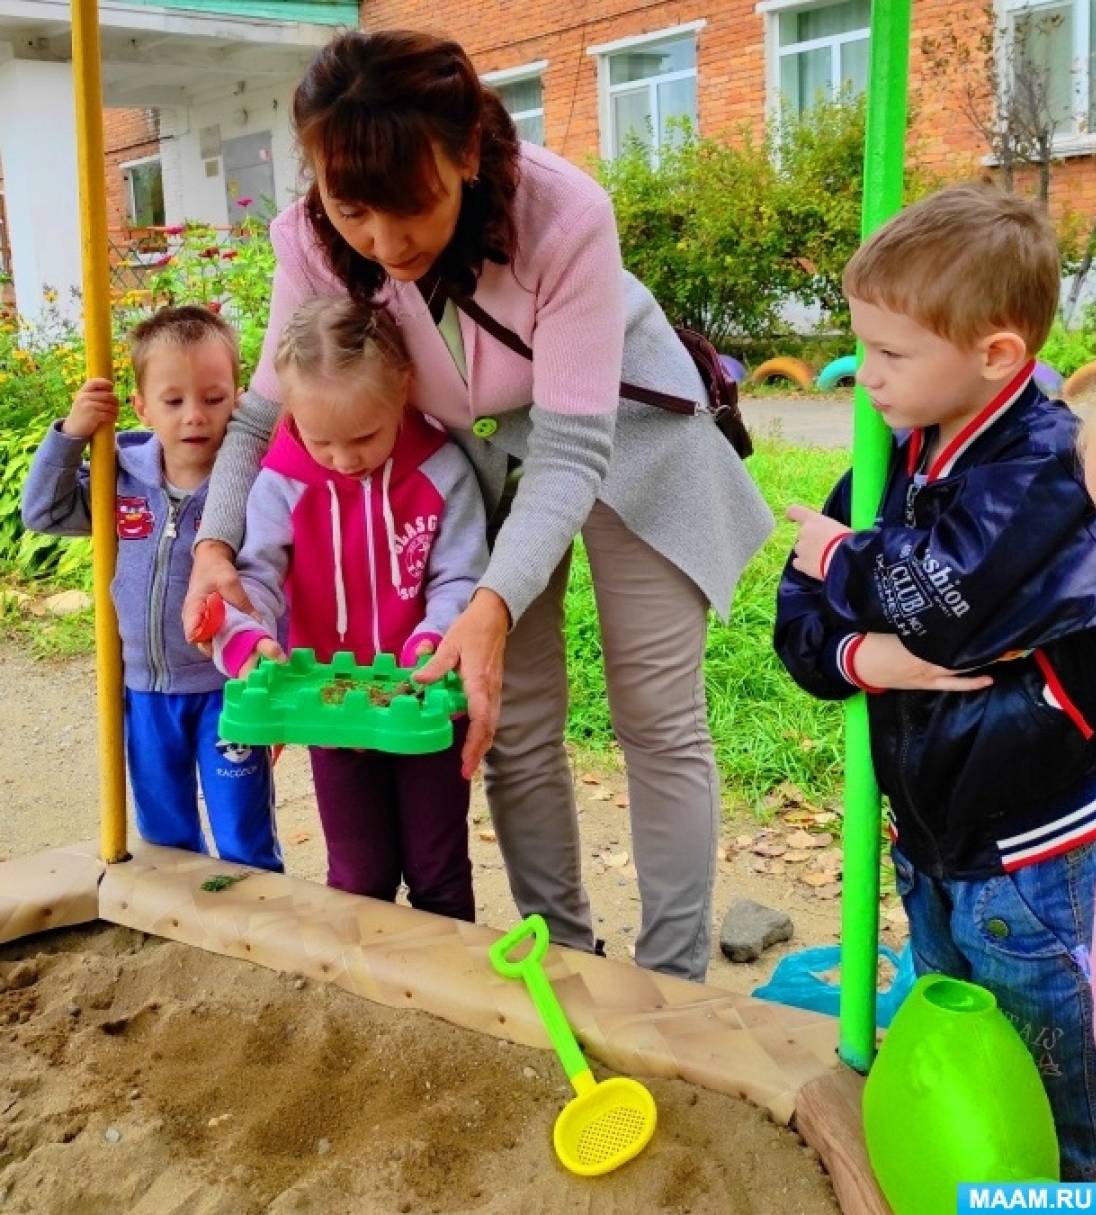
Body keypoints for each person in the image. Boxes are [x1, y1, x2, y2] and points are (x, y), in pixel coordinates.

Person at [185, 29, 774, 981]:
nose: (384, 242)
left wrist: (491, 603)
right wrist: (216, 546)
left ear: (465, 152)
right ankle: (564, 953)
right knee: (510, 715)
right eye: (353, 210)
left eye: (408, 206)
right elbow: (261, 417)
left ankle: (671, 981)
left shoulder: (562, 210)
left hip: (626, 435)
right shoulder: (311, 239)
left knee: (656, 718)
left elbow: (575, 444)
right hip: (484, 465)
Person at [775, 183, 1096, 1180]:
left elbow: (944, 607)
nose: (860, 375)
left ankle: (1065, 1195)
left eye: (890, 353)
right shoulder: (895, 453)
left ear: (996, 354)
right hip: (931, 826)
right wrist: (860, 655)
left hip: (1030, 849)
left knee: (1056, 1087)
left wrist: (842, 564)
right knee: (964, 1046)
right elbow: (796, 625)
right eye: (860, 345)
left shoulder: (1049, 467)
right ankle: (985, 1190)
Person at [211, 296, 486, 918]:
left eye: (364, 436)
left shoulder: (442, 472)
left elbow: (459, 574)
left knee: (439, 870)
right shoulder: (283, 481)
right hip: (329, 706)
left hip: (424, 700)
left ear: (403, 393)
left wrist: (437, 634)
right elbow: (255, 575)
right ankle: (365, 1002)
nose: (343, 459)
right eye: (321, 440)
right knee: (357, 874)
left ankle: (445, 998)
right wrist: (248, 635)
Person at [21, 305, 281, 870]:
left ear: (238, 399)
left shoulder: (251, 486)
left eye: (214, 399)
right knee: (163, 828)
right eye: (174, 401)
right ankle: (176, 924)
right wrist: (71, 435)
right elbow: (43, 511)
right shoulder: (121, 477)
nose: (195, 417)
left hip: (227, 685)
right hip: (144, 686)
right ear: (141, 407)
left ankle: (259, 918)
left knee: (242, 825)